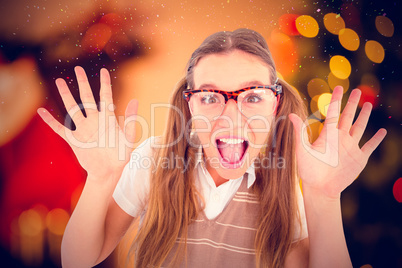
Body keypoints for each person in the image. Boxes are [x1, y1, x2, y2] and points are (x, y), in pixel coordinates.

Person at [37, 29, 387, 268]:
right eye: (208, 96)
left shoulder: (284, 185)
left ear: (275, 106)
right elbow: (79, 260)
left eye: (252, 96)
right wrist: (101, 180)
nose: (231, 116)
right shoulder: (153, 161)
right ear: (189, 106)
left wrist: (324, 198)